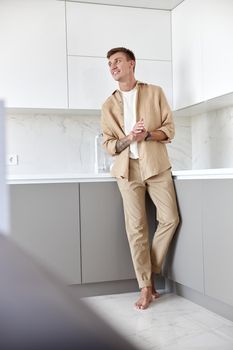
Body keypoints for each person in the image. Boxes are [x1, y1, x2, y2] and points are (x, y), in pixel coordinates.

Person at [101, 47, 179, 310]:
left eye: (118, 61)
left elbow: (169, 129)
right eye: (110, 63)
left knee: (170, 219)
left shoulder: (155, 92)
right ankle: (146, 287)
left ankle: (150, 270)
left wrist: (145, 135)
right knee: (136, 230)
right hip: (127, 170)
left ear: (132, 64)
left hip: (157, 166)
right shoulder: (108, 105)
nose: (113, 66)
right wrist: (129, 138)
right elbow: (109, 145)